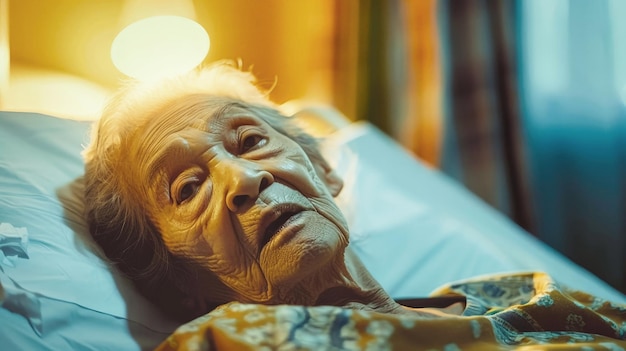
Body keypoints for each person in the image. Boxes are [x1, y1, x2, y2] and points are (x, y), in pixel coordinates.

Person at [82, 62, 462, 322]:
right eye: (189, 188)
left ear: (324, 169)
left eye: (249, 140)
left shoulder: (500, 295)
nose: (244, 178)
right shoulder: (216, 343)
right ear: (177, 281)